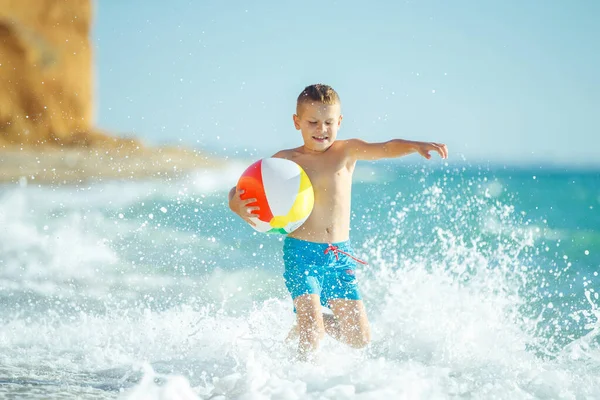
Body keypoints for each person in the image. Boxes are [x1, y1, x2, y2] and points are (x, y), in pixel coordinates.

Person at [228, 84, 448, 361]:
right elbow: (245, 187)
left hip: (339, 256)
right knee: (312, 335)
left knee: (359, 338)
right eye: (313, 122)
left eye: (329, 122)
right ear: (297, 122)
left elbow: (386, 148)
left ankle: (311, 322)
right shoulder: (285, 160)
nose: (322, 129)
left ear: (340, 122)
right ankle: (298, 383)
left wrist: (415, 145)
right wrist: (234, 203)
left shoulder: (346, 152)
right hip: (302, 255)